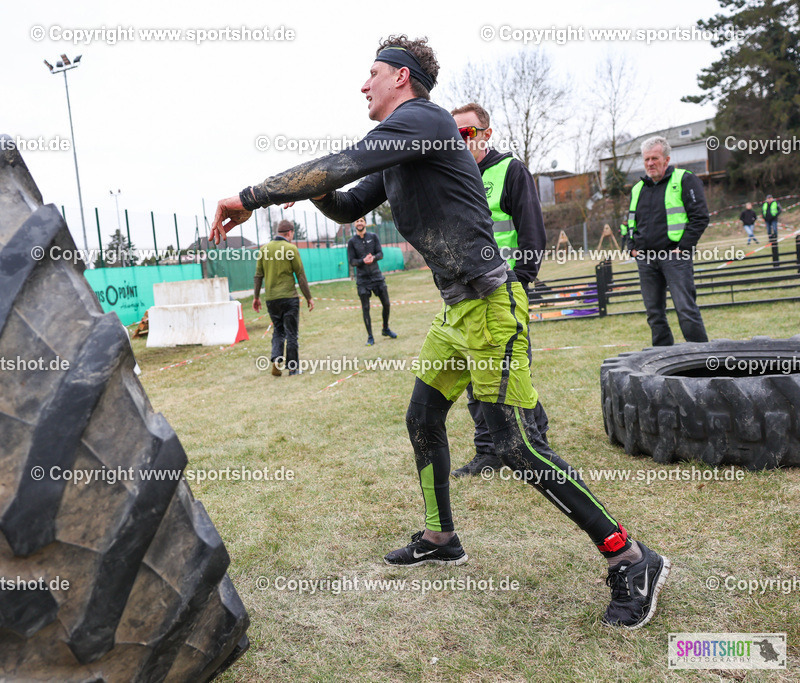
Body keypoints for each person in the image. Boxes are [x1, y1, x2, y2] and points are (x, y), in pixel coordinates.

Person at [210, 34, 670, 628]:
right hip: (458, 313)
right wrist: (314, 190)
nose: (362, 84)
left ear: (401, 78)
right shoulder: (405, 149)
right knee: (422, 418)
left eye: (371, 72)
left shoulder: (424, 119)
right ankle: (441, 536)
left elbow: (343, 161)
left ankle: (632, 557)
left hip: (491, 304)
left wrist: (249, 197)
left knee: (514, 444)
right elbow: (347, 202)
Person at [449, 103, 548, 477]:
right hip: (467, 293)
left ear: (486, 134)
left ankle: (536, 441)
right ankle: (488, 451)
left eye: (467, 132)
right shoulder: (452, 175)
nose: (460, 139)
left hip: (505, 289)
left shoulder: (511, 170)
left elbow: (532, 230)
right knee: (477, 374)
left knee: (512, 371)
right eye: (453, 134)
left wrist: (520, 280)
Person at [626, 136, 709, 346]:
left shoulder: (684, 179)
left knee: (686, 310)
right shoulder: (637, 188)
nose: (650, 163)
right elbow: (629, 222)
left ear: (666, 159)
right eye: (646, 159)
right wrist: (631, 247)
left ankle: (702, 358)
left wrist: (683, 248)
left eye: (655, 158)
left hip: (675, 257)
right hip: (646, 260)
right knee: (654, 314)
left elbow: (700, 217)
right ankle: (662, 359)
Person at [254, 220, 314, 376]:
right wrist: (309, 297)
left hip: (271, 299)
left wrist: (256, 297)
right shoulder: (291, 248)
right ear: (290, 233)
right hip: (289, 298)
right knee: (291, 333)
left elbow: (258, 275)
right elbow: (300, 275)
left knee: (278, 331)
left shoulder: (264, 249)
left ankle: (276, 359)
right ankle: (293, 368)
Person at [347, 216, 396, 345]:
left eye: (361, 220)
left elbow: (380, 254)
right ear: (354, 224)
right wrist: (362, 261)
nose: (359, 223)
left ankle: (385, 328)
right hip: (363, 280)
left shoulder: (373, 237)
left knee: (386, 304)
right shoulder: (352, 242)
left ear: (365, 223)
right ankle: (370, 336)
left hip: (377, 277)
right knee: (366, 308)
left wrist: (372, 258)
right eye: (357, 221)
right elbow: (352, 262)